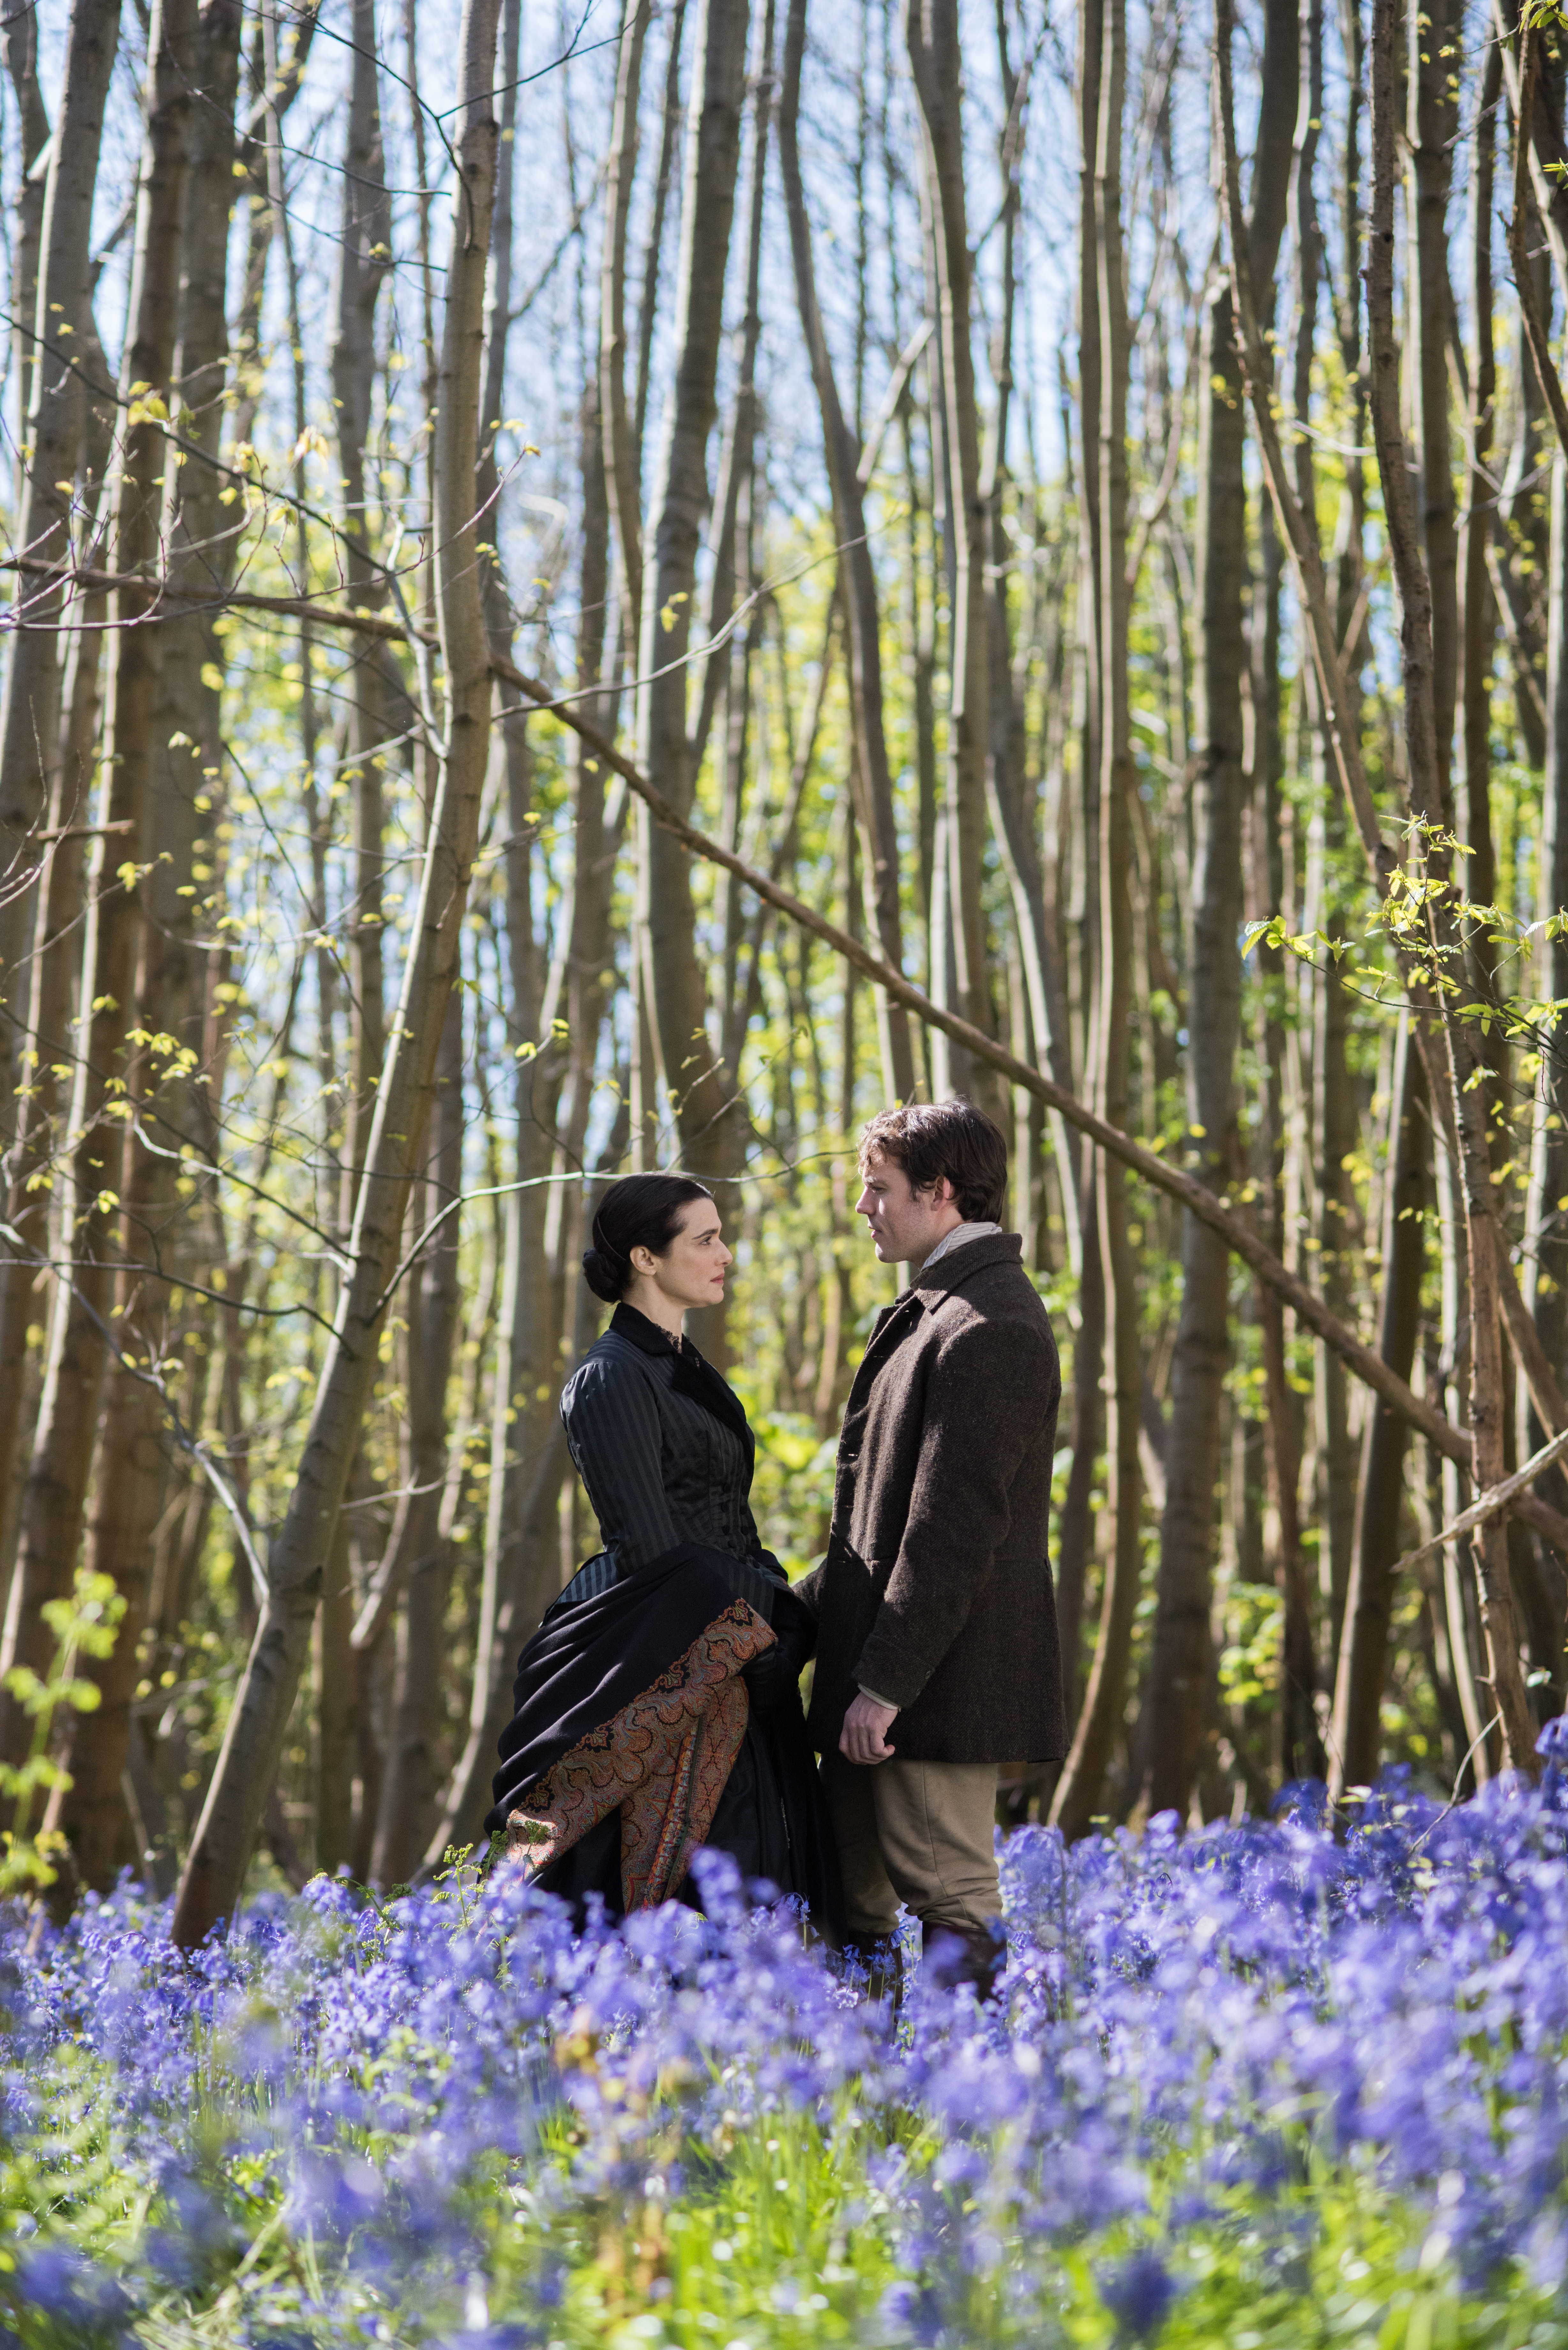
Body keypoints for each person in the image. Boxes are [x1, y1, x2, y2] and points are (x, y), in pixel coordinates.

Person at [485, 1172, 842, 1937]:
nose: (727, 1253)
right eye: (705, 1239)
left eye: (722, 1235)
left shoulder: (685, 1367)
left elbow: (729, 1524)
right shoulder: (609, 1376)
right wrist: (760, 1631)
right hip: (663, 1646)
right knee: (681, 1888)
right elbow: (652, 1550)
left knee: (754, 1881)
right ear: (645, 1257)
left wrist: (782, 1618)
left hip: (732, 1637)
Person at [796, 1098, 1064, 1999]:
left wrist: (885, 1686)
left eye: (878, 1189)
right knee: (854, 1904)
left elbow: (952, 1538)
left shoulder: (991, 1325)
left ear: (940, 1191)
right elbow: (876, 1522)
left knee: (949, 1893)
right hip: (884, 1676)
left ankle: (970, 2112)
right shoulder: (940, 1309)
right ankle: (865, 2113)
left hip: (931, 1689)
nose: (862, 1206)